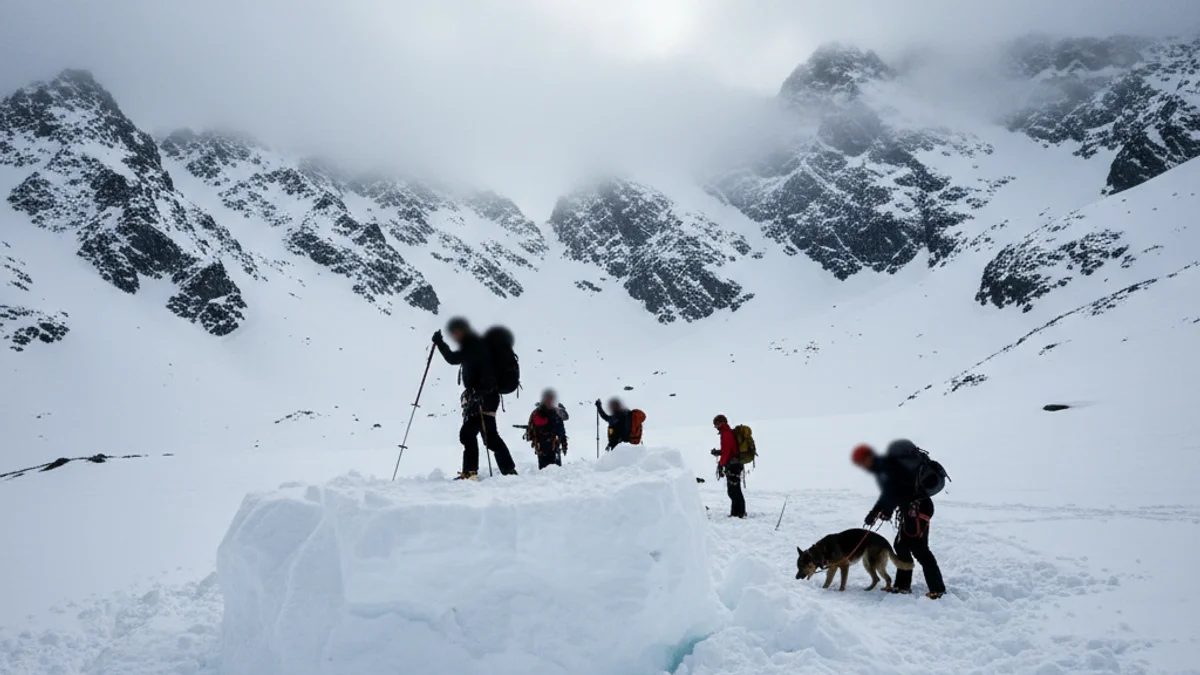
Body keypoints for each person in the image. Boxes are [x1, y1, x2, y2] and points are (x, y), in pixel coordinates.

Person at [853, 441, 946, 599]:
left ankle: (937, 589)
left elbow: (892, 493)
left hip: (917, 509)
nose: (862, 466)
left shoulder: (888, 467)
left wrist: (878, 513)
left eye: (862, 462)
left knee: (919, 549)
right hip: (914, 508)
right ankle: (903, 586)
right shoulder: (887, 467)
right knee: (901, 545)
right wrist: (880, 512)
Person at [433, 317, 517, 479]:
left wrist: (440, 343)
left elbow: (454, 359)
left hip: (484, 397)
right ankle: (503, 470)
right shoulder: (472, 346)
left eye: (456, 332)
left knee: (477, 435)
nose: (454, 336)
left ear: (463, 331)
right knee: (479, 436)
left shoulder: (474, 346)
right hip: (482, 397)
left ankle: (481, 472)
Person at [710, 415, 746, 518]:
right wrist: (718, 452)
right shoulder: (727, 433)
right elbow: (728, 450)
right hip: (734, 464)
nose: (715, 427)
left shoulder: (726, 434)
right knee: (734, 489)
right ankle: (737, 512)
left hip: (733, 465)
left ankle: (739, 513)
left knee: (734, 490)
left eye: (716, 424)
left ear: (721, 423)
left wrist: (721, 465)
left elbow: (726, 452)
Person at [525, 389, 568, 469]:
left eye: (551, 399)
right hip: (542, 446)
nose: (549, 401)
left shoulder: (556, 413)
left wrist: (563, 442)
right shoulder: (538, 413)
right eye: (547, 399)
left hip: (554, 445)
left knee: (556, 469)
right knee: (544, 470)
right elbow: (534, 427)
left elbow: (561, 430)